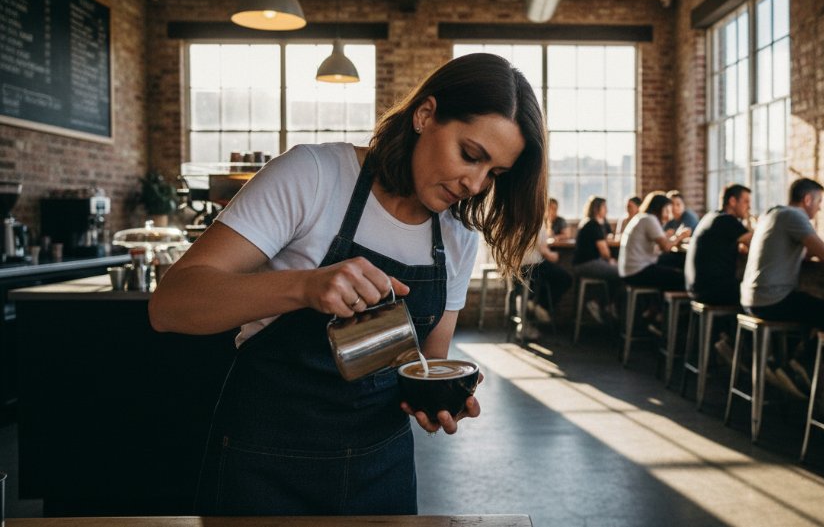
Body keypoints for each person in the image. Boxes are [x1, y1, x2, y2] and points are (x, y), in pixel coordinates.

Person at [149, 53, 547, 516]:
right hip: (264, 463)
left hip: (381, 471)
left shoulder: (457, 238)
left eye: (494, 174)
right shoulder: (314, 177)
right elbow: (171, 304)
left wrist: (438, 399)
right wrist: (305, 287)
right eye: (471, 155)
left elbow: (428, 359)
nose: (475, 184)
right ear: (425, 115)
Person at [740, 178, 824, 399]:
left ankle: (786, 366)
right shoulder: (795, 216)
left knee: (806, 319)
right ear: (807, 199)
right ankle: (800, 364)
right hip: (772, 299)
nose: (820, 207)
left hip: (751, 298)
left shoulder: (772, 214)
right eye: (819, 201)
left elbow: (807, 252)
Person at [685, 183, 753, 306]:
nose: (749, 207)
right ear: (732, 201)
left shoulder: (711, 216)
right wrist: (750, 221)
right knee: (755, 293)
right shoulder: (726, 220)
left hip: (696, 287)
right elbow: (756, 242)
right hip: (711, 290)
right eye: (746, 202)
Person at [618, 191, 687, 292]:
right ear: (659, 208)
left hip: (629, 271)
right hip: (637, 272)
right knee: (682, 277)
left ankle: (657, 305)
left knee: (674, 261)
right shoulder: (649, 219)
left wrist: (670, 236)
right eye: (667, 210)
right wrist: (680, 236)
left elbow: (658, 245)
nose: (668, 215)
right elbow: (666, 247)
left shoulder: (642, 217)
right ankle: (672, 306)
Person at [518, 226, 573, 339]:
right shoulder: (537, 224)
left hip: (517, 269)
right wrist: (556, 255)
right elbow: (547, 253)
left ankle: (531, 304)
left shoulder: (515, 222)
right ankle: (542, 305)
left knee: (541, 281)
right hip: (533, 266)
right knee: (566, 278)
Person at [572, 195, 621, 323]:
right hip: (586, 264)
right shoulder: (593, 224)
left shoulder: (593, 223)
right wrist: (611, 260)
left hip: (583, 263)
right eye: (604, 207)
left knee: (615, 272)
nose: (607, 210)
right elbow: (604, 252)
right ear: (596, 208)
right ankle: (605, 304)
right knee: (621, 273)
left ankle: (606, 304)